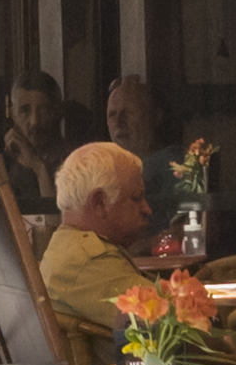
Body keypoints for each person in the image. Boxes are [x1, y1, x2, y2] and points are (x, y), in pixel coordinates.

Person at [38, 142, 158, 340]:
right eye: (136, 198)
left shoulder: (68, 247)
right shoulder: (87, 261)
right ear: (100, 203)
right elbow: (179, 327)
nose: (147, 209)